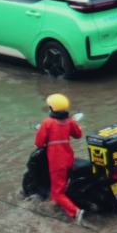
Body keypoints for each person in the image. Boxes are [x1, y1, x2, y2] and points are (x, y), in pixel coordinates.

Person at [34, 93, 84, 224]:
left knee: (57, 192)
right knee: (61, 185)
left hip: (57, 161)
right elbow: (78, 134)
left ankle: (75, 211)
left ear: (52, 108)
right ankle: (56, 203)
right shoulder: (70, 121)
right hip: (69, 158)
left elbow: (39, 143)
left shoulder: (47, 123)